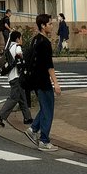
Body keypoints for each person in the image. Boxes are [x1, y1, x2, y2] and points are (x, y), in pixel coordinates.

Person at [24, 13, 61, 152]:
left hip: (35, 80)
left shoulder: (35, 40)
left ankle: (33, 129)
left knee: (45, 107)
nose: (52, 26)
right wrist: (56, 83)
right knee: (48, 110)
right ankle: (44, 141)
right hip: (43, 81)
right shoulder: (45, 43)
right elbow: (49, 66)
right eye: (50, 24)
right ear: (43, 26)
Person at [0, 29, 32, 129]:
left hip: (11, 76)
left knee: (22, 98)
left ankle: (27, 118)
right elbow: (19, 55)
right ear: (18, 38)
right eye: (21, 38)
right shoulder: (17, 46)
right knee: (14, 98)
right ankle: (1, 115)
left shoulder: (10, 47)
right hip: (16, 77)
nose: (22, 40)